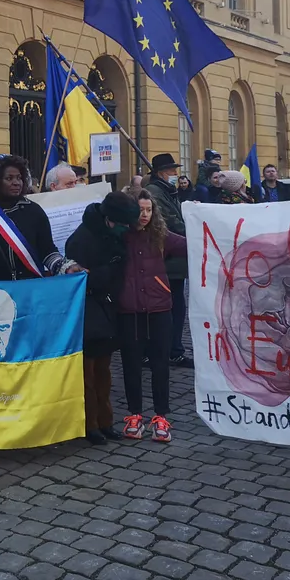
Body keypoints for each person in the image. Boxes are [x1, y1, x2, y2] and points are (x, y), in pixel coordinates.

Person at [66, 192, 141, 445]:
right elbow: (80, 279)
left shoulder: (113, 233)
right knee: (87, 373)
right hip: (87, 310)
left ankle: (105, 420)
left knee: (104, 371)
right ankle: (90, 424)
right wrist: (109, 271)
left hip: (107, 307)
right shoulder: (81, 240)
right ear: (110, 219)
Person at [117, 188, 188, 444]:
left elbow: (189, 245)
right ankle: (134, 415)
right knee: (131, 364)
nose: (145, 215)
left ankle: (161, 417)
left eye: (149, 210)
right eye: (140, 210)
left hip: (159, 307)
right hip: (129, 309)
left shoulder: (160, 235)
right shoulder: (120, 235)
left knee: (160, 364)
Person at [0, 155, 82, 281]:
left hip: (30, 286)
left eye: (19, 178)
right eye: (9, 178)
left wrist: (66, 267)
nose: (16, 182)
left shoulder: (34, 211)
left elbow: (48, 252)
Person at [143, 154, 192, 368]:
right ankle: (166, 350)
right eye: (172, 170)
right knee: (169, 309)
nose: (175, 174)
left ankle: (172, 349)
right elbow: (169, 223)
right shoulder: (155, 192)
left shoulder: (168, 191)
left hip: (174, 261)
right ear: (162, 172)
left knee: (176, 308)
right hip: (167, 260)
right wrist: (194, 230)